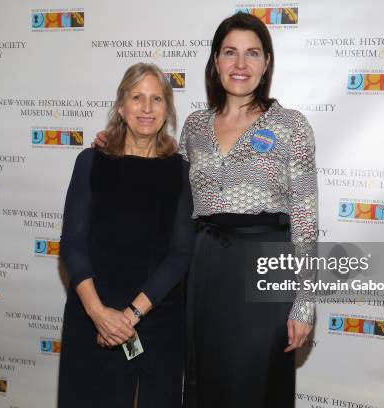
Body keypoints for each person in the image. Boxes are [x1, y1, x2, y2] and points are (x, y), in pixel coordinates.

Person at [95, 13, 318, 407]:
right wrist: (118, 147)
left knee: (256, 381)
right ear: (215, 61)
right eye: (230, 53)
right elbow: (164, 187)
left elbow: (305, 218)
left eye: (252, 54)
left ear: (267, 63)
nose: (240, 64)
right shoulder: (195, 126)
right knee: (203, 381)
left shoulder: (291, 125)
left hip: (264, 268)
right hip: (203, 267)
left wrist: (304, 302)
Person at [58, 62, 194, 408]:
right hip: (92, 317)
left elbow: (180, 255)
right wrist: (100, 314)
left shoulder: (180, 172)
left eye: (157, 99)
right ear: (121, 106)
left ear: (167, 110)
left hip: (157, 319)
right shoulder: (90, 162)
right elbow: (72, 245)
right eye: (137, 97)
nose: (146, 108)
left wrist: (129, 317)